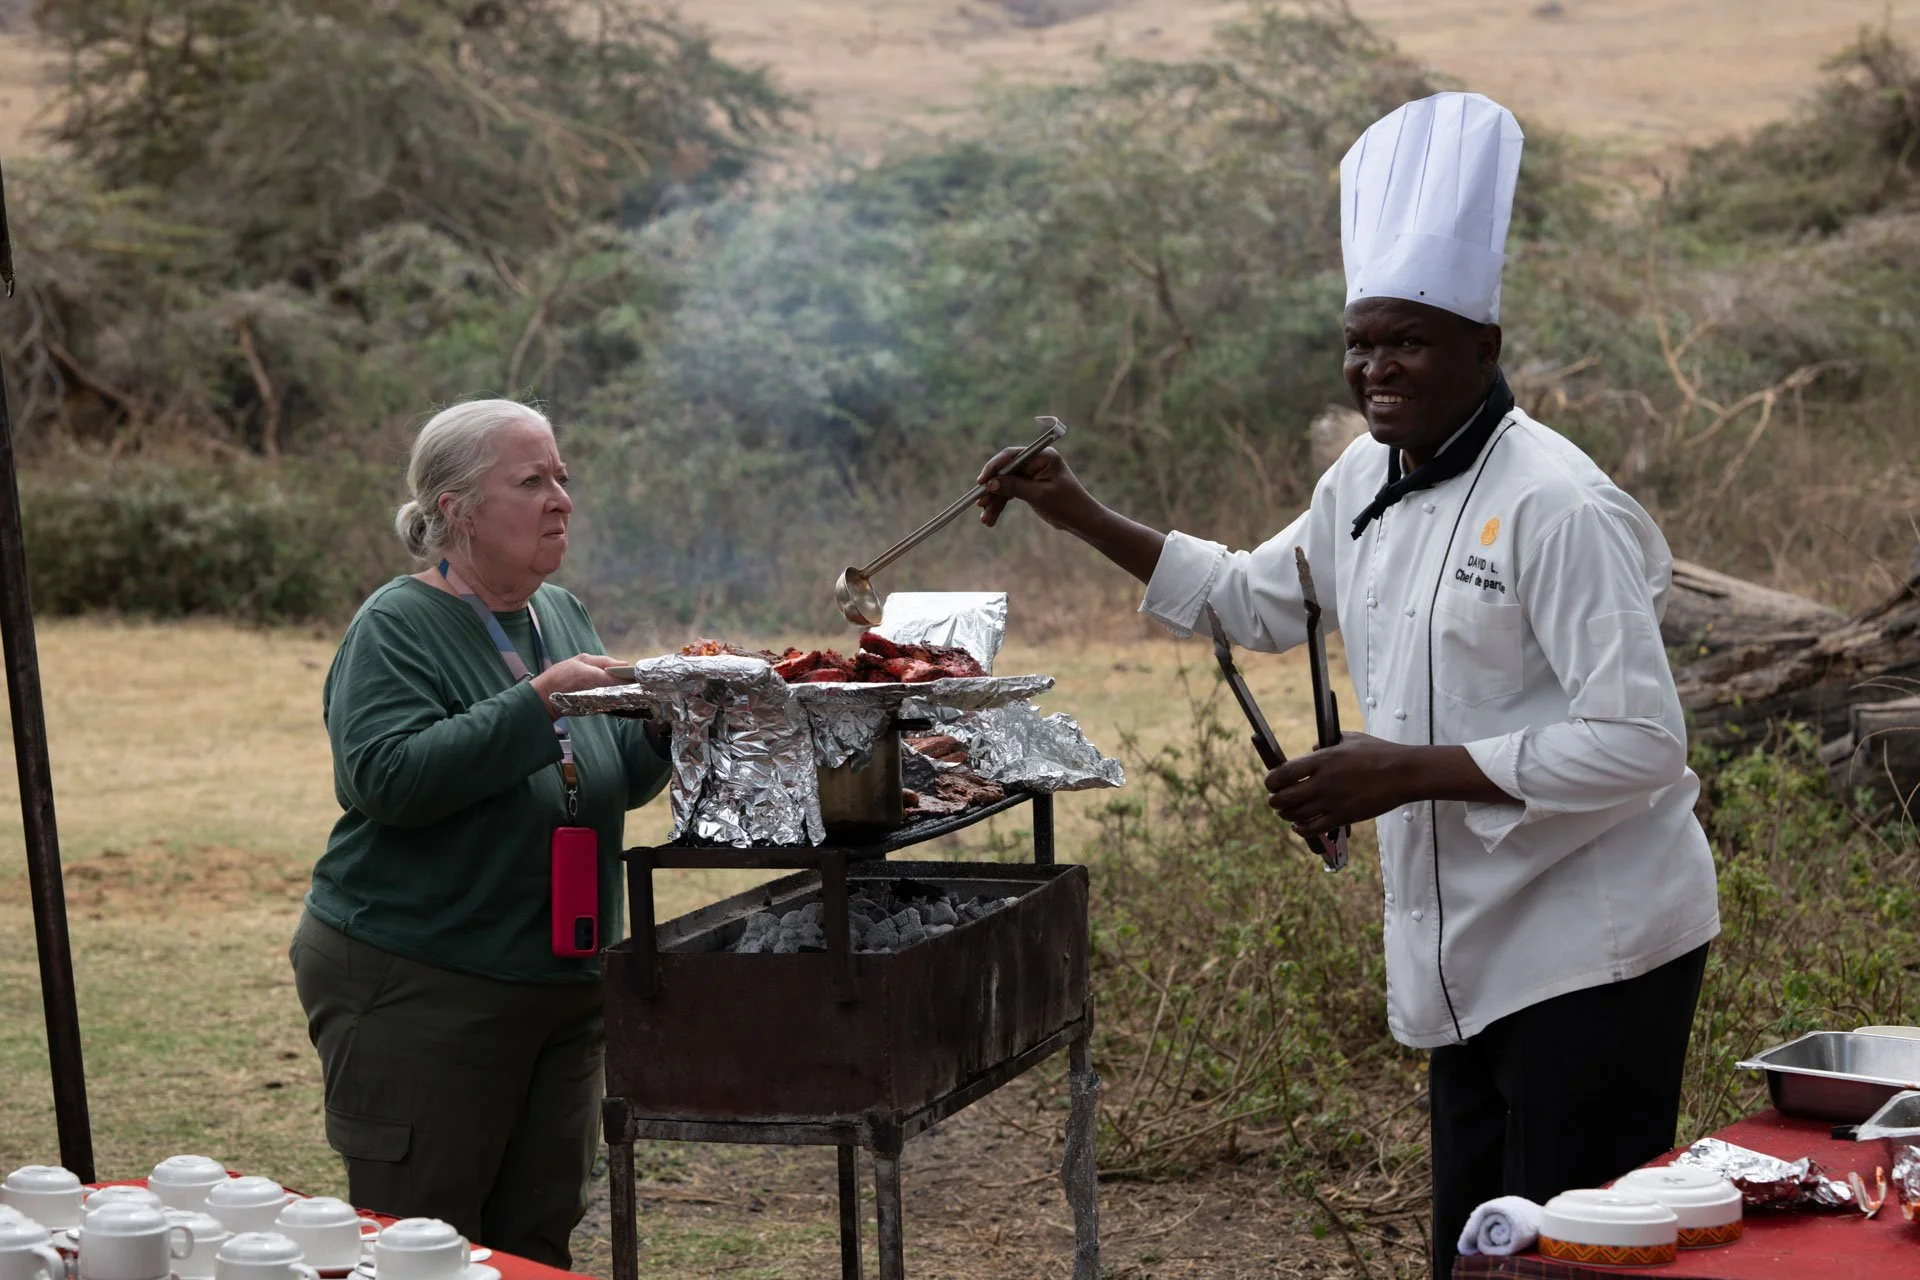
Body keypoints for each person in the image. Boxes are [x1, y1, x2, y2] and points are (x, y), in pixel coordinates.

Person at [975, 92, 1720, 1279]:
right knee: (1475, 1254)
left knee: (1571, 1258)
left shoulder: (1555, 504)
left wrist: (1407, 770)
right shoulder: (1366, 475)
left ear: (1483, 346)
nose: (1378, 367)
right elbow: (1255, 597)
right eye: (1361, 342)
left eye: (1409, 339)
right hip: (1463, 952)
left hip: (1593, 952)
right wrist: (1076, 510)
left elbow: (1640, 742)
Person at [289, 399, 668, 1267]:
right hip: (423, 978)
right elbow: (384, 779)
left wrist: (665, 729)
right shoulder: (398, 624)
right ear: (455, 508)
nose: (561, 499)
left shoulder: (560, 615)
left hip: (560, 978)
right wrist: (537, 703)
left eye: (562, 478)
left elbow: (603, 778)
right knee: (425, 1238)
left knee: (536, 1236)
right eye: (531, 481)